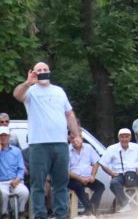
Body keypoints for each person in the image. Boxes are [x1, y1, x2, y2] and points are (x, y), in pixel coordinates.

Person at [13, 61, 81, 219]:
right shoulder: (30, 91)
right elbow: (16, 94)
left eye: (45, 69)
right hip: (38, 144)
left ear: (49, 72)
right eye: (39, 70)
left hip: (60, 143)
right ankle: (40, 215)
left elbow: (69, 114)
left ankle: (61, 215)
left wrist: (76, 135)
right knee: (38, 184)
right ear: (33, 73)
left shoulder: (59, 91)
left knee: (61, 183)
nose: (42, 72)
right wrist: (28, 82)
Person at [99, 128, 138, 213]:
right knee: (113, 183)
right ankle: (125, 205)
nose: (124, 139)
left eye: (126, 137)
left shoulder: (136, 147)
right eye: (122, 137)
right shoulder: (112, 148)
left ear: (130, 137)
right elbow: (102, 163)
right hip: (120, 174)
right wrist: (112, 173)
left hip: (134, 173)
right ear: (119, 138)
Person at [67, 136, 105, 216]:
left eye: (76, 138)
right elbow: (66, 171)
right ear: (69, 139)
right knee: (78, 185)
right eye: (72, 138)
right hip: (73, 178)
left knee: (100, 186)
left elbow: (96, 163)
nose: (74, 140)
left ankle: (91, 209)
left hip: (88, 177)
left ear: (81, 138)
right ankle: (90, 208)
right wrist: (80, 179)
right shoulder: (66, 150)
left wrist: (93, 176)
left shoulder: (88, 147)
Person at [0, 126, 29, 219]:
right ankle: (4, 214)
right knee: (3, 194)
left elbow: (21, 168)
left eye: (5, 135)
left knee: (24, 192)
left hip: (15, 181)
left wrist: (18, 179)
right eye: (1, 135)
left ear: (9, 137)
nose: (3, 137)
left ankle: (20, 212)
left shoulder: (17, 151)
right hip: (1, 182)